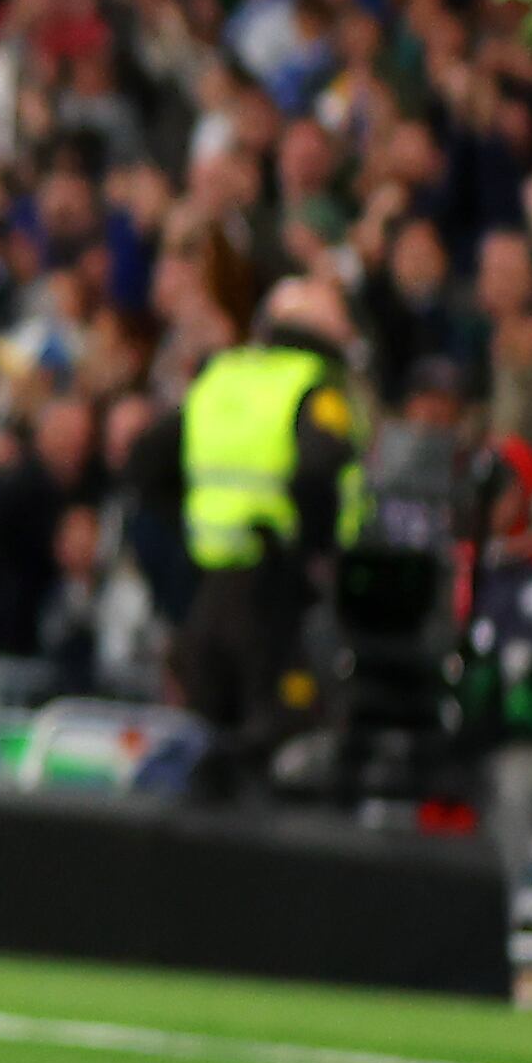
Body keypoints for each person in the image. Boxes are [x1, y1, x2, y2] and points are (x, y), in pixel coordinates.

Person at [170, 276, 364, 797]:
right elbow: (318, 471)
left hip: (206, 589)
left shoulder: (220, 376)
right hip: (273, 587)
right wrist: (314, 551)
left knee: (210, 744)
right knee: (277, 740)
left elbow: (150, 460)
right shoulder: (313, 385)